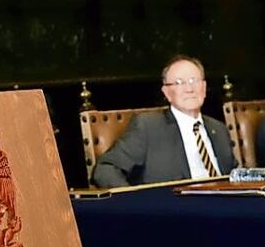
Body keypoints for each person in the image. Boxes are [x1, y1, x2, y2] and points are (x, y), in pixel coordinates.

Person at [93, 55, 236, 187]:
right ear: (167, 93)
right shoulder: (147, 127)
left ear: (204, 88)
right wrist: (135, 202)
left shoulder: (219, 129)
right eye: (179, 82)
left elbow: (234, 176)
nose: (189, 89)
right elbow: (105, 169)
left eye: (194, 81)